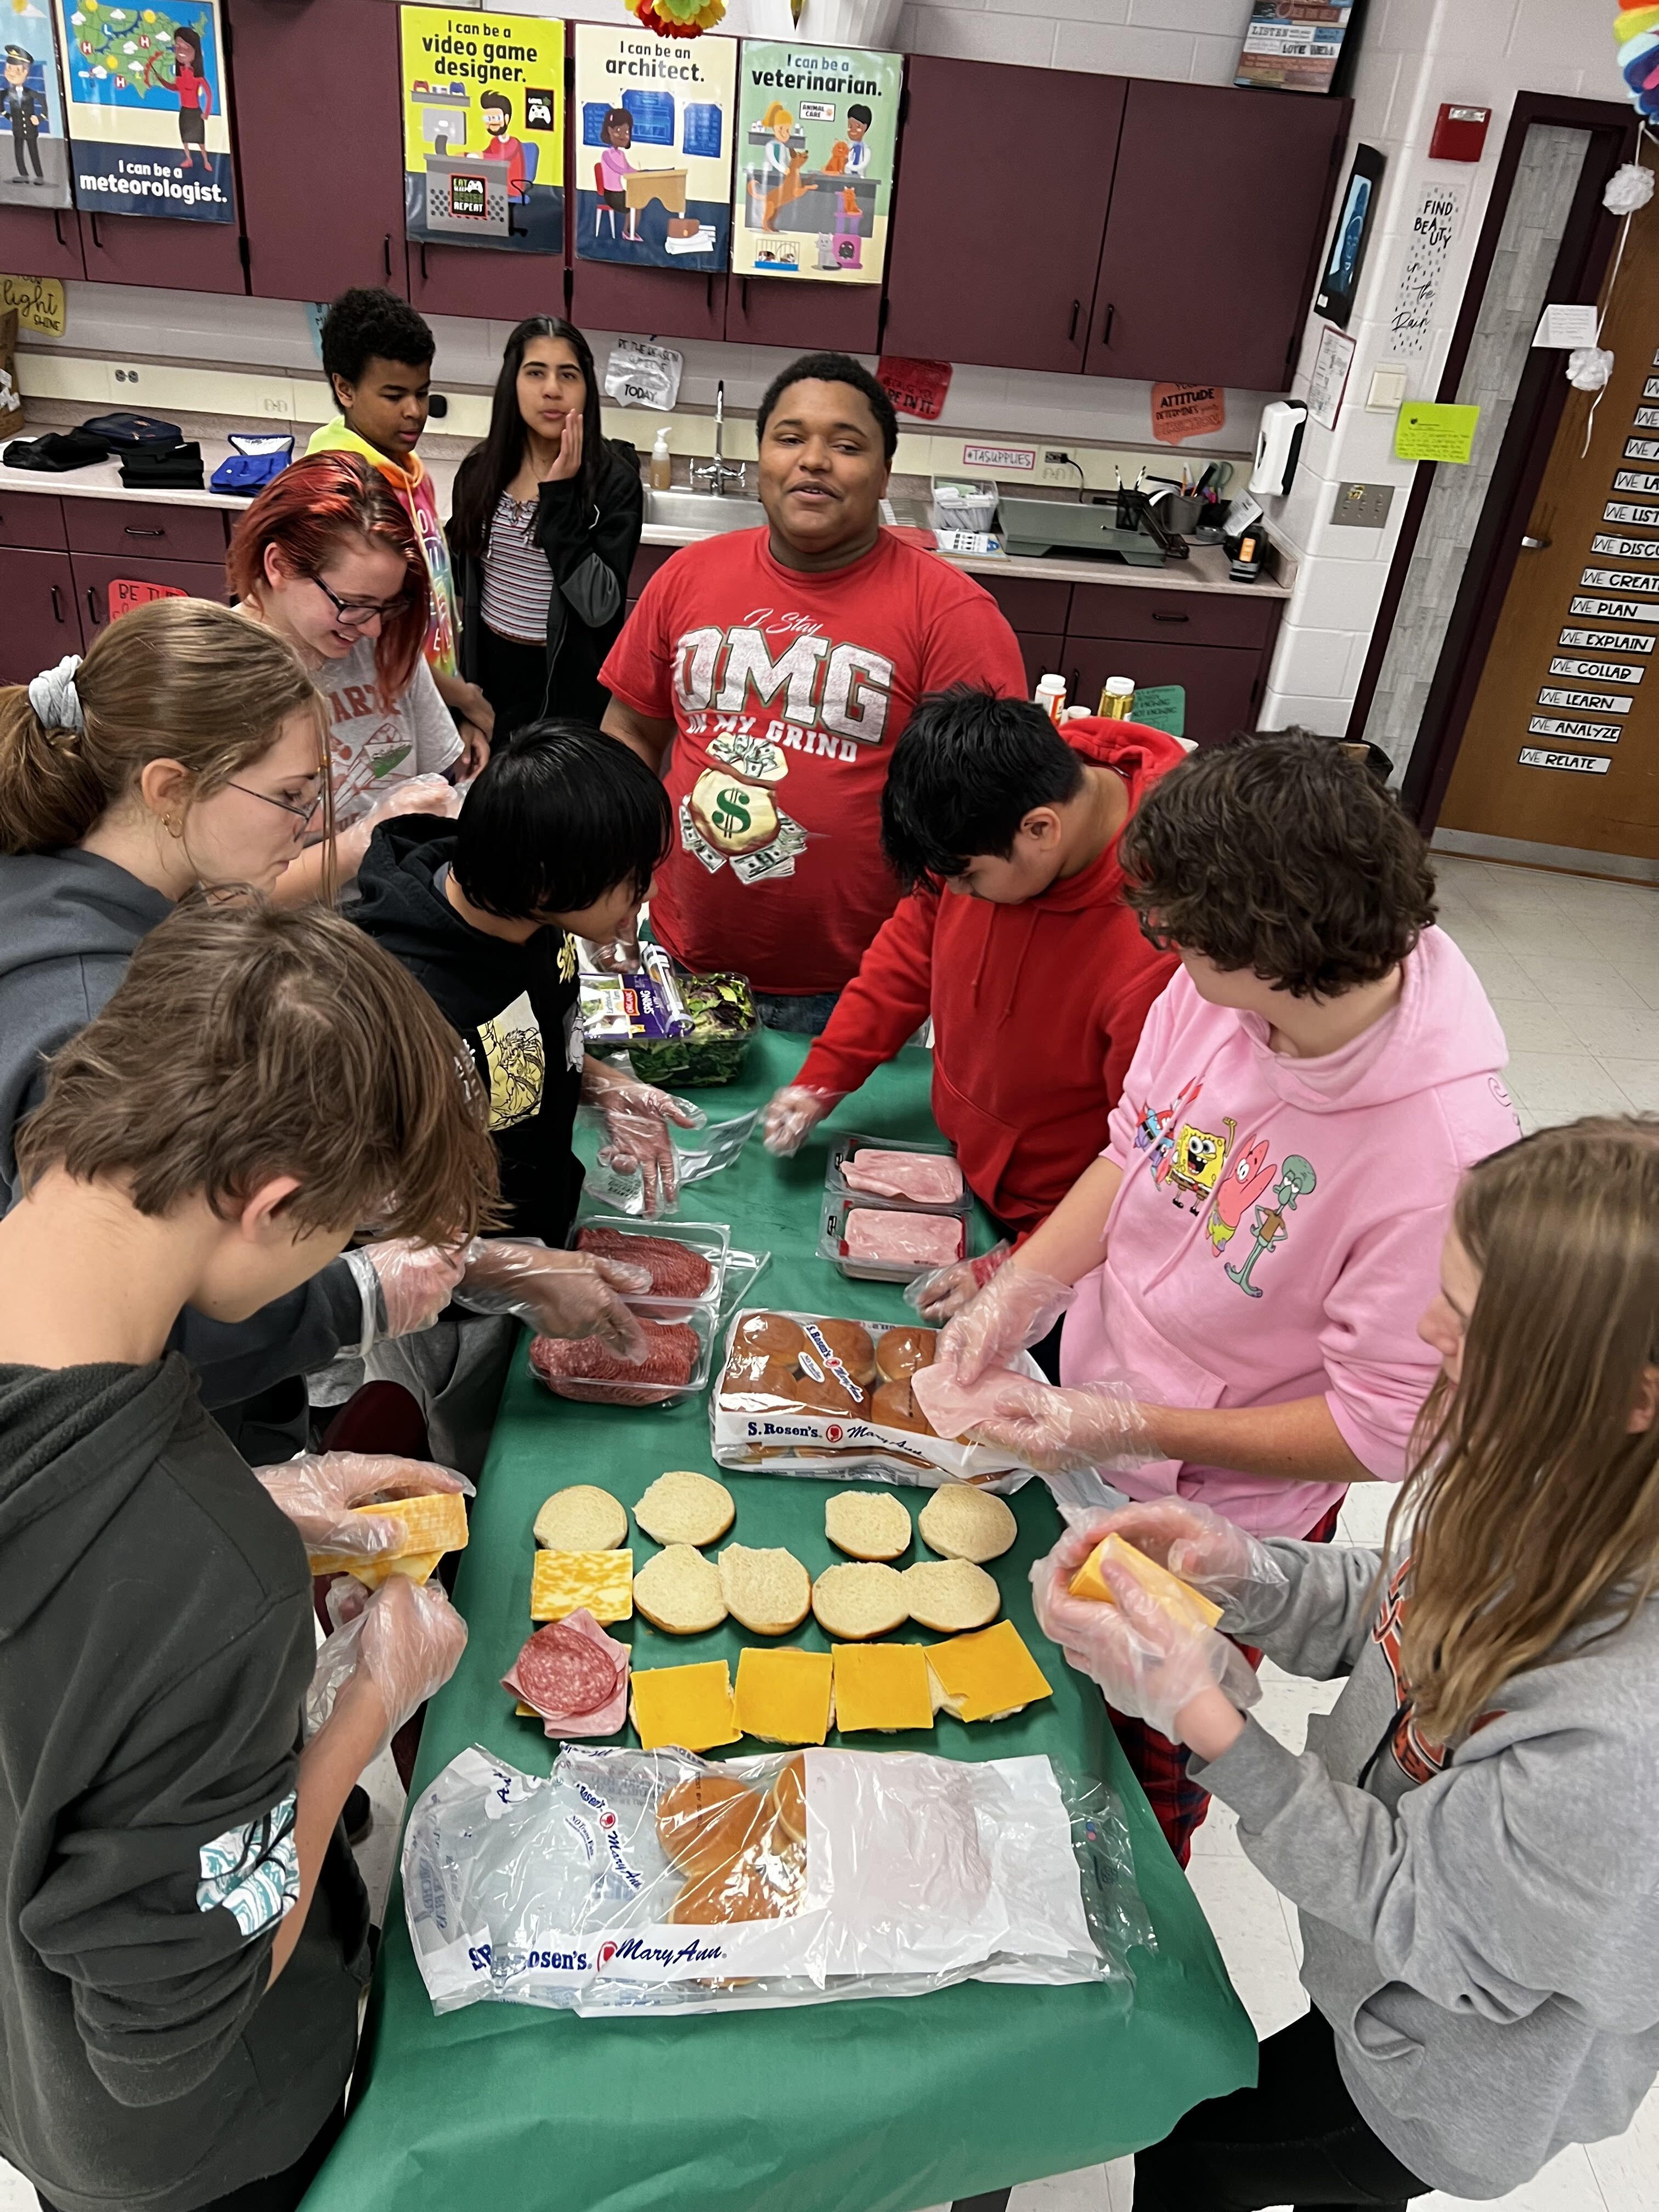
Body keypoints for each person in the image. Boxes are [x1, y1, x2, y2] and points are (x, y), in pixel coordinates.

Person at [1030, 1115, 1659, 2212]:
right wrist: (1242, 1569)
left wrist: (1207, 1722)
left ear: (1632, 1396)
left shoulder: (1622, 1740)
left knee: (1195, 2153)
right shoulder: (1542, 1461)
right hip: (1380, 1986)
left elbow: (1430, 1918)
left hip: (1443, 2083)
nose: (1424, 1331)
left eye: (1466, 1323)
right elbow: (1398, 1599)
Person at [940, 732, 1521, 1861]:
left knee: (1153, 1749)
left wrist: (1133, 1424)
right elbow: (1139, 1148)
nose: (1169, 960)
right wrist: (1025, 1292)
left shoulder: (1442, 1157)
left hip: (1218, 1510)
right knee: (1038, 1681)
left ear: (1271, 951)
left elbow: (1381, 1426)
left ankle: (1141, 1910)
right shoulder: (1215, 1000)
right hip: (1100, 1402)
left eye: (1188, 943)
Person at [0, 899, 497, 2212]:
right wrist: (367, 1710)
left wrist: (252, 1495)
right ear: (272, 1203)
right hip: (184, 2145)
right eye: (343, 1237)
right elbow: (165, 2033)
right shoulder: (207, 1590)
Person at [0, 601, 464, 1449]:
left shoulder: (48, 888)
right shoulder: (95, 1016)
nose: (316, 827)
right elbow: (118, 1316)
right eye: (290, 797)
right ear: (170, 789)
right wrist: (356, 1295)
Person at [601, 351, 1026, 1034]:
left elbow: (992, 818)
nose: (815, 461)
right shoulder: (686, 578)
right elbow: (630, 731)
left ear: (886, 472)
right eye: (791, 438)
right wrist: (611, 873)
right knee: (670, 1136)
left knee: (818, 1144)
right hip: (679, 959)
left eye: (847, 445)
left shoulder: (953, 616)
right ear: (762, 457)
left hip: (856, 989)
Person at [351, 719, 702, 1469]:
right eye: (631, 881)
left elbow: (512, 1055)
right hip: (449, 1307)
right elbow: (369, 1231)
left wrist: (601, 1086)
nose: (642, 900)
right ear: (546, 879)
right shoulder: (405, 1007)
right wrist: (507, 1270)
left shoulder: (528, 917)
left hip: (542, 1237)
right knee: (480, 1459)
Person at [765, 689, 1181, 1276]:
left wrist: (1022, 1268)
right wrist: (825, 1077)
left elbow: (1139, 1158)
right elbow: (912, 951)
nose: (956, 894)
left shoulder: (1160, 948)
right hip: (965, 1165)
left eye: (967, 877)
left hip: (1063, 1228)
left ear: (1042, 831)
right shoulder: (990, 805)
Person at [230, 450, 464, 899]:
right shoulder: (217, 679)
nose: (374, 628)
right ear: (277, 565)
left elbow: (439, 780)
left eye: (385, 605)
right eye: (353, 604)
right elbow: (233, 897)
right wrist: (365, 838)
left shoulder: (379, 640)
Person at [308, 287, 492, 771]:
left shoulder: (410, 471)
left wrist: (455, 703)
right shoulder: (339, 488)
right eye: (395, 395)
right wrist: (464, 698)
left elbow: (437, 604)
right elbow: (370, 628)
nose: (415, 411)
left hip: (427, 698)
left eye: (423, 392)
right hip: (370, 711)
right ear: (345, 388)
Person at [449, 317, 643, 736]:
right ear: (512, 384)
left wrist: (558, 499)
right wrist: (466, 699)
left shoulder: (614, 484)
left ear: (587, 390)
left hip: (566, 687)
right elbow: (459, 582)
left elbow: (600, 607)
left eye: (567, 375)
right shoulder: (479, 472)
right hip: (490, 680)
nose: (551, 389)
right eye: (535, 372)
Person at [164, 23, 211, 177]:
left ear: (195, 51)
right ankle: (188, 158)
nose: (181, 52)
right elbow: (175, 88)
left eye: (186, 48)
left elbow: (209, 94)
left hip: (195, 112)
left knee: (200, 141)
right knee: (185, 138)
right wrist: (160, 81)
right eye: (178, 47)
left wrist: (206, 113)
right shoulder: (180, 75)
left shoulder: (198, 76)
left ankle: (206, 160)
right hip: (184, 111)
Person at [2, 46, 45, 185]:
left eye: (16, 70)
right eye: (9, 68)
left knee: (33, 152)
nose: (11, 73)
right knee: (19, 152)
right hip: (17, 129)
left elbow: (43, 103)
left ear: (26, 72)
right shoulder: (7, 93)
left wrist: (40, 118)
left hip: (31, 130)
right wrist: (7, 115)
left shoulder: (30, 92)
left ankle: (39, 175)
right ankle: (23, 175)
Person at [597, 108, 640, 241]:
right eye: (618, 131)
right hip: (611, 194)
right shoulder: (606, 155)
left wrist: (639, 172)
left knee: (639, 202)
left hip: (620, 192)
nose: (623, 135)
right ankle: (627, 232)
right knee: (634, 202)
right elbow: (617, 169)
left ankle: (629, 231)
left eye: (626, 132)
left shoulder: (621, 154)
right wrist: (628, 172)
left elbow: (628, 168)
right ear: (610, 131)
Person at [479, 87, 526, 201]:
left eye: (496, 117)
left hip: (512, 188)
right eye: (488, 118)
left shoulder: (514, 143)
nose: (492, 122)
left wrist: (481, 156)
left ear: (506, 118)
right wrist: (466, 155)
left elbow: (500, 158)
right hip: (496, 185)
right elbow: (486, 154)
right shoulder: (495, 141)